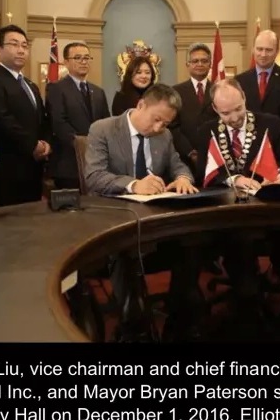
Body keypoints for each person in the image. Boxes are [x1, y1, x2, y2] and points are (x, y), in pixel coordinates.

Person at [84, 83, 203, 342]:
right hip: (115, 220)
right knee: (126, 249)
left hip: (154, 219)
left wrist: (183, 178)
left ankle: (179, 321)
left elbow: (178, 165)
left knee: (192, 243)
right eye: (156, 119)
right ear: (141, 105)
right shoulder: (103, 129)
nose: (159, 127)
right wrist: (134, 184)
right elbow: (94, 177)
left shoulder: (164, 136)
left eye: (166, 123)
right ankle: (133, 328)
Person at [197, 78, 280, 333]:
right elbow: (202, 174)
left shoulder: (269, 124)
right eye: (226, 113)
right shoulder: (207, 131)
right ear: (215, 109)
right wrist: (234, 179)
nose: (235, 117)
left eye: (238, 109)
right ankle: (246, 312)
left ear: (245, 99)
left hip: (268, 212)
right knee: (238, 248)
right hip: (227, 216)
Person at [0, 25, 51, 207]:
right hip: (7, 167)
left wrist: (46, 143)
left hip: (34, 166)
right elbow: (1, 118)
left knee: (33, 217)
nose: (21, 50)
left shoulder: (31, 85)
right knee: (7, 221)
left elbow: (42, 119)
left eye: (24, 46)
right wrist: (33, 145)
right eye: (14, 44)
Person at [46, 41, 109, 190]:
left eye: (87, 58)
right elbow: (59, 122)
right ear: (66, 62)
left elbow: (105, 123)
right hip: (68, 163)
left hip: (96, 163)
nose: (83, 61)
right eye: (78, 58)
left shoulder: (98, 92)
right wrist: (82, 144)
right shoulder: (56, 88)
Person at [235, 30, 280, 130]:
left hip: (279, 136)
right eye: (259, 49)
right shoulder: (240, 80)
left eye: (269, 50)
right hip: (248, 136)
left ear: (277, 51)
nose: (263, 54)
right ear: (253, 49)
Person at [170, 43, 215, 171]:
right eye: (195, 61)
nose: (199, 64)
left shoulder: (218, 90)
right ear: (187, 65)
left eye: (204, 61)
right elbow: (173, 127)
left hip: (213, 157)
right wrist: (190, 152)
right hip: (184, 159)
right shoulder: (176, 91)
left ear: (210, 64)